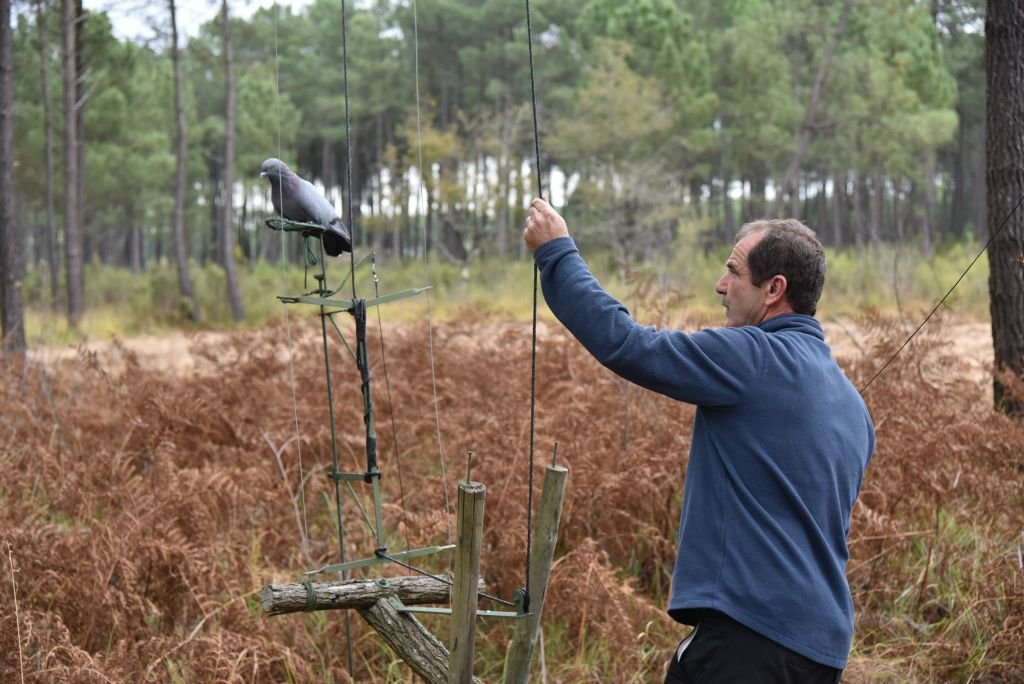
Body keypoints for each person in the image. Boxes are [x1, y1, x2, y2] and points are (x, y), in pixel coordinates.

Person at [523, 198, 875, 683]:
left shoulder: (752, 357)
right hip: (823, 652)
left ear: (774, 289)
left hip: (749, 640)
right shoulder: (856, 407)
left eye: (733, 271)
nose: (720, 284)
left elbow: (627, 344)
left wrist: (557, 253)